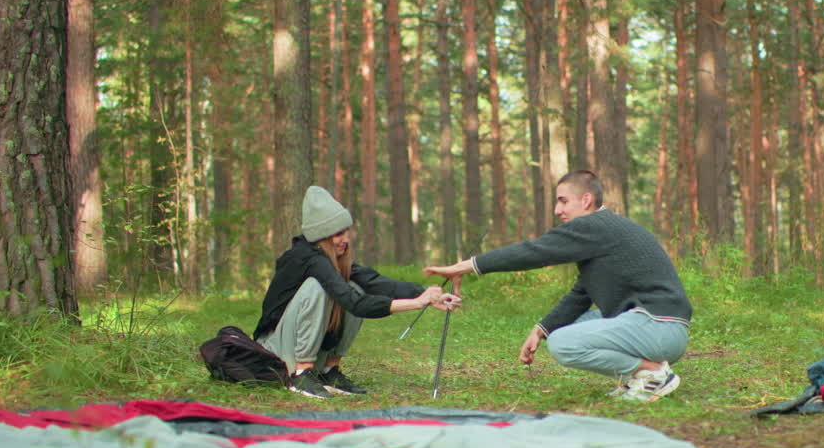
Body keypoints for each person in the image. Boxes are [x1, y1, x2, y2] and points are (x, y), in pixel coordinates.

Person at [424, 170, 691, 402]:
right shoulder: (602, 232)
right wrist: (541, 330)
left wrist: (467, 265)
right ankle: (640, 378)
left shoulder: (595, 226)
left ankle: (653, 373)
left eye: (563, 201)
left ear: (586, 200)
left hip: (659, 327)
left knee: (563, 344)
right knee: (559, 331)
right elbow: (581, 294)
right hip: (655, 328)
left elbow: (535, 251)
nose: (557, 210)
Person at [255, 185, 460, 399]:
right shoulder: (307, 259)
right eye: (338, 234)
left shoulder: (330, 259)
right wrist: (416, 304)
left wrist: (425, 293)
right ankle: (301, 374)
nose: (346, 238)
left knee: (356, 286)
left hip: (295, 345)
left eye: (346, 231)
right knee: (319, 288)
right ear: (322, 235)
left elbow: (374, 282)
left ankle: (328, 371)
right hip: (274, 350)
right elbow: (356, 303)